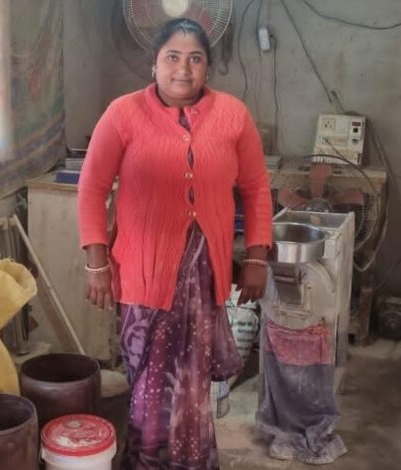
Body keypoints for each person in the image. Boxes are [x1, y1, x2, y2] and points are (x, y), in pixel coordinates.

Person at [77, 18, 273, 470]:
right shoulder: (123, 114)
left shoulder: (233, 115)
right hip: (143, 275)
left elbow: (256, 188)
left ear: (208, 68)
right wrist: (96, 262)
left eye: (195, 59)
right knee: (148, 381)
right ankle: (146, 461)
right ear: (154, 64)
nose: (183, 69)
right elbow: (91, 189)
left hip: (204, 275)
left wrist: (257, 256)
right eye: (172, 57)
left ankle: (193, 460)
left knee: (192, 384)